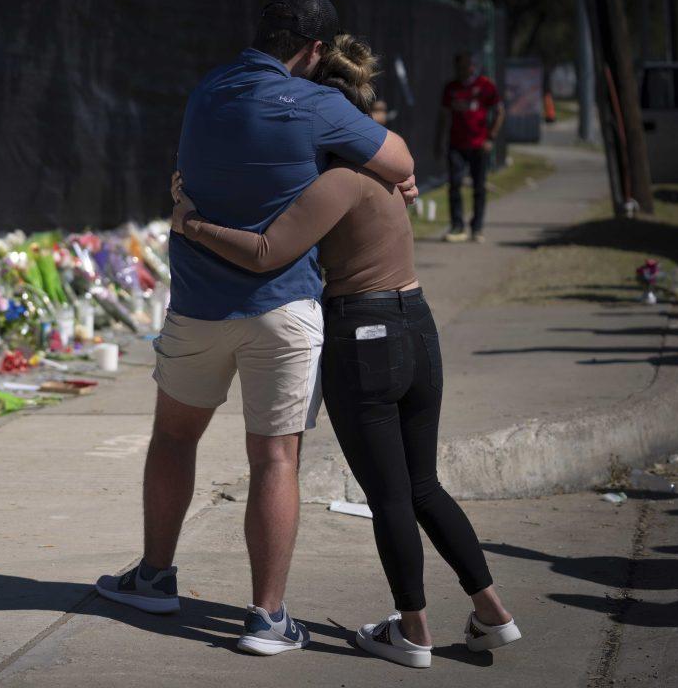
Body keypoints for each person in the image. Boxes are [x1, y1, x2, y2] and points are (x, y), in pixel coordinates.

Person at [169, 35, 521, 669]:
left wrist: (189, 220)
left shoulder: (339, 181)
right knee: (422, 487)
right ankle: (493, 612)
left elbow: (264, 253)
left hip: (365, 334)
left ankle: (412, 632)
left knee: (387, 494)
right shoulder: (388, 175)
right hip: (416, 323)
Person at [94, 0, 416, 657]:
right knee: (273, 459)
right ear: (316, 50)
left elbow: (196, 173)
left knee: (173, 440)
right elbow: (401, 164)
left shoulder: (206, 91)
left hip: (198, 304)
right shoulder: (319, 104)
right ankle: (267, 618)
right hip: (284, 308)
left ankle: (154, 576)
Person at [438, 51, 504, 243]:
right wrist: (438, 141)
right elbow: (443, 117)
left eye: (465, 67)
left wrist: (491, 137)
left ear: (472, 67)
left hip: (479, 145)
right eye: (457, 67)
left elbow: (500, 112)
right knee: (455, 184)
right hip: (456, 144)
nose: (461, 71)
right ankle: (457, 226)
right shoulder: (450, 88)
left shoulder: (485, 86)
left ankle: (477, 227)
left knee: (479, 186)